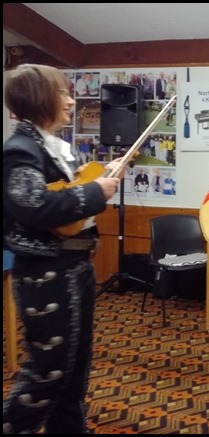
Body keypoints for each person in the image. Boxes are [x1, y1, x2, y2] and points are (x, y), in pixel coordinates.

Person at [2, 64, 121, 434]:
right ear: (39, 99)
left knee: (73, 370)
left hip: (72, 266)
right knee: (48, 372)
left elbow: (60, 192)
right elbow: (34, 205)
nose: (71, 100)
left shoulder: (48, 146)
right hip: (46, 273)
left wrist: (98, 178)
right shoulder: (19, 150)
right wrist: (93, 193)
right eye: (61, 94)